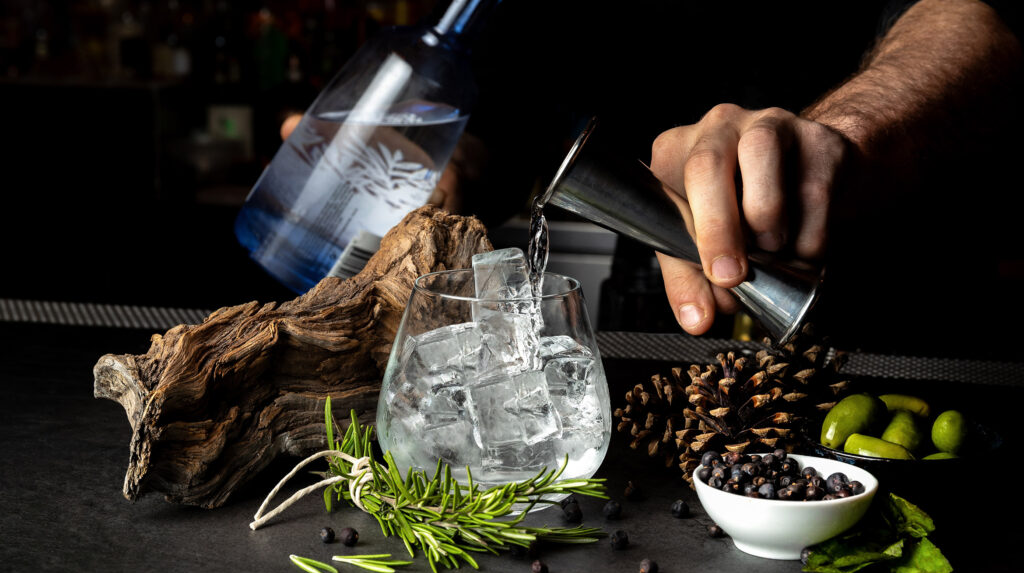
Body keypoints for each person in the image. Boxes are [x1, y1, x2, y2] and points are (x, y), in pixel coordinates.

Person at [283, 0, 1023, 355]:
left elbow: (976, 22)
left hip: (912, 339)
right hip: (654, 345)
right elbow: (512, 120)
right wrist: (446, 163)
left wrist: (845, 134)